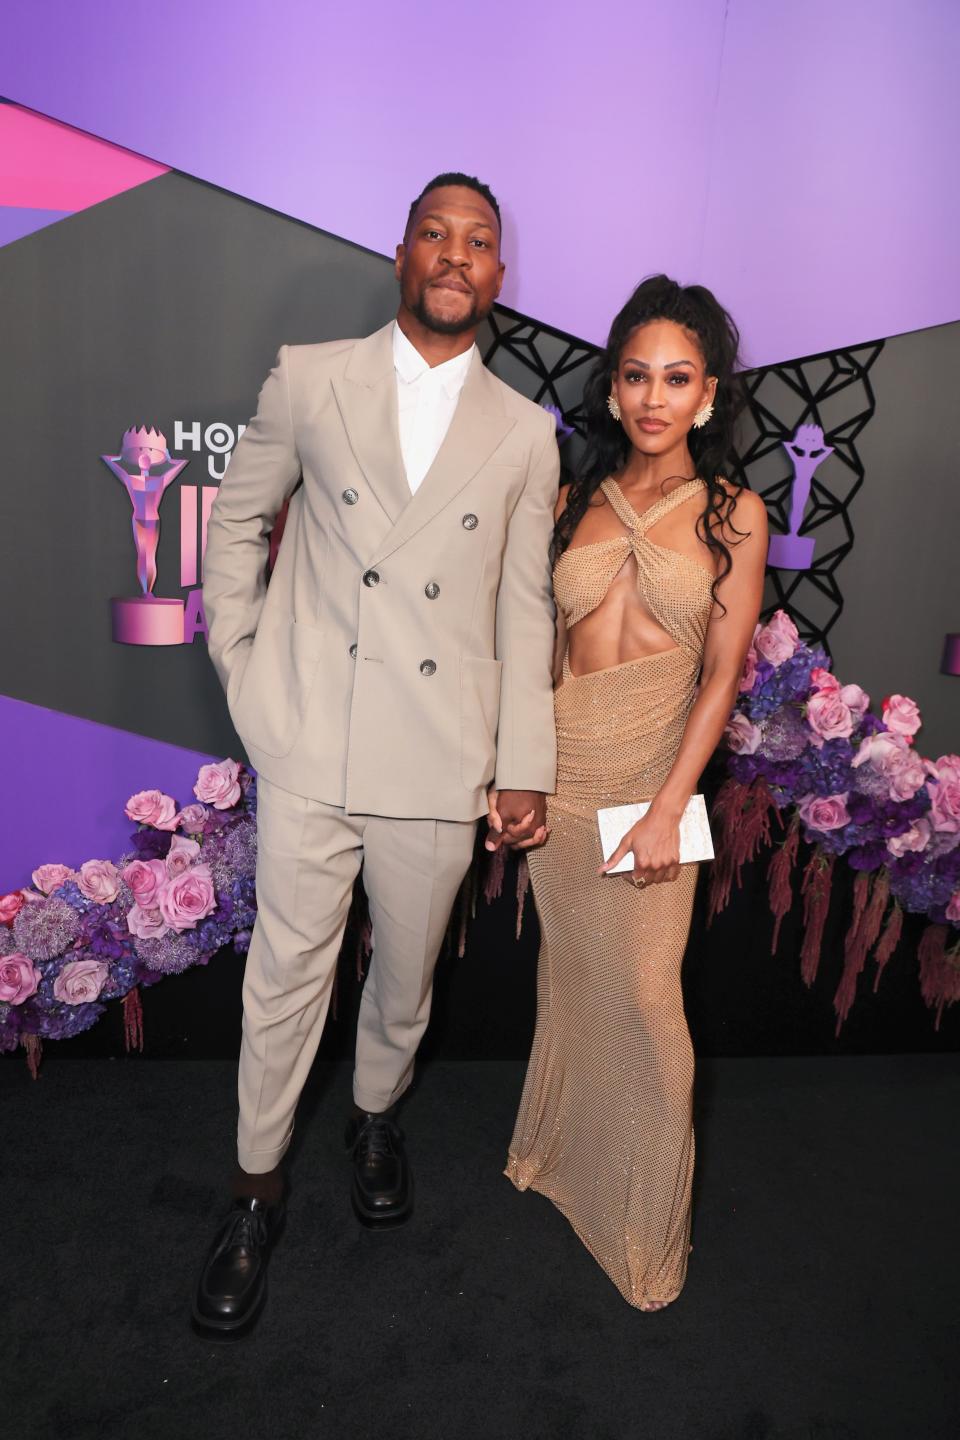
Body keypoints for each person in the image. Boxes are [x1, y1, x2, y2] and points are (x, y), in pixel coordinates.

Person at [195, 173, 559, 1333]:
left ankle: (376, 1114)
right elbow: (238, 519)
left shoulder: (526, 433)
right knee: (283, 983)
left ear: (499, 274)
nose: (456, 256)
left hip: (438, 757)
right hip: (312, 740)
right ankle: (254, 1192)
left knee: (404, 981)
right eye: (436, 235)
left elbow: (524, 608)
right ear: (402, 255)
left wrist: (523, 764)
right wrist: (248, 672)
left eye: (480, 242)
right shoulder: (312, 378)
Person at [498, 275, 767, 1311]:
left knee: (652, 1006)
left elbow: (724, 675)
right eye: (636, 376)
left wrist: (667, 806)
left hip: (652, 791)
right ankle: (558, 1159)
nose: (655, 397)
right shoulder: (572, 504)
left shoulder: (734, 516)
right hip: (560, 788)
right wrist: (513, 776)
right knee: (570, 985)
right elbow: (536, 655)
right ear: (613, 392)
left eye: (679, 379)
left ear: (707, 397)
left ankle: (647, 1233)